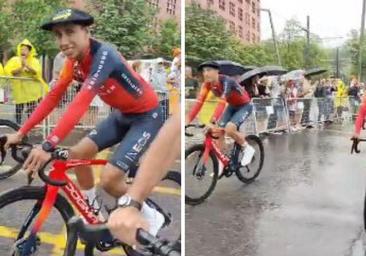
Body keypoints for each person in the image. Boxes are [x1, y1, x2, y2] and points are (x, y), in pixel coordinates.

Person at [5, 8, 165, 235]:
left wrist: (48, 144)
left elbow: (80, 104)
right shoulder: (75, 61)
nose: (63, 41)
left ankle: (150, 214)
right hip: (121, 115)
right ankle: (94, 212)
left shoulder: (103, 55)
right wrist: (21, 133)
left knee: (110, 180)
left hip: (147, 116)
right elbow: (53, 97)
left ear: (86, 31)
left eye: (70, 32)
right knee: (78, 155)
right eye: (58, 35)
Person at [108, 109, 180, 246]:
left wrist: (133, 201)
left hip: (146, 115)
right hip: (124, 115)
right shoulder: (211, 87)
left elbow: (177, 128)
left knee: (110, 177)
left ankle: (151, 215)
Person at [186, 61, 255, 167]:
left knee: (229, 128)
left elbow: (221, 103)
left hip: (244, 105)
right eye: (204, 71)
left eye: (209, 70)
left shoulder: (227, 81)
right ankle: (223, 161)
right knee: (218, 132)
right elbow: (198, 104)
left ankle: (247, 148)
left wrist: (213, 120)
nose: (205, 73)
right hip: (232, 106)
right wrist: (186, 121)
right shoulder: (206, 85)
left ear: (217, 71)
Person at [4, 39, 49, 124]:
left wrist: (27, 66)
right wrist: (21, 67)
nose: (22, 51)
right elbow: (10, 72)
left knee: (31, 108)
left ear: (29, 51)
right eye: (21, 49)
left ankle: (31, 125)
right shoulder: (15, 60)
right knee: (19, 108)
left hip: (31, 91)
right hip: (20, 90)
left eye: (24, 49)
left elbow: (37, 72)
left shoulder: (34, 61)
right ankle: (17, 125)